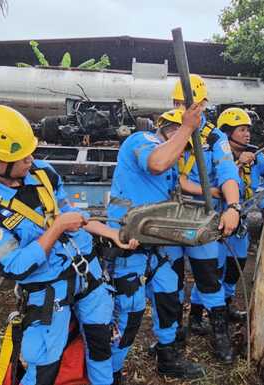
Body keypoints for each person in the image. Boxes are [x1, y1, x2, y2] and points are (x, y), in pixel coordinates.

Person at [0, 104, 137, 385]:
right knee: (45, 366)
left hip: (89, 276)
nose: (31, 159)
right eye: (22, 157)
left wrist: (112, 234)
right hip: (48, 291)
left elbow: (74, 216)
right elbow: (14, 266)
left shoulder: (42, 173)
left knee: (101, 346)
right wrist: (55, 229)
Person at [106, 105, 208, 382]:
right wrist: (186, 127)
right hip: (129, 244)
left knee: (169, 299)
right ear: (163, 128)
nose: (181, 139)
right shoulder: (142, 141)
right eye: (175, 130)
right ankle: (112, 372)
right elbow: (156, 163)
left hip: (158, 245)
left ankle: (168, 356)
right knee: (128, 312)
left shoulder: (174, 159)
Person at [169, 75, 241, 363]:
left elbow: (228, 176)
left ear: (201, 105)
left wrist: (233, 206)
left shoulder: (214, 139)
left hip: (201, 219)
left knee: (209, 280)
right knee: (169, 282)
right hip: (170, 219)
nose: (179, 108)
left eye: (184, 103)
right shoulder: (168, 132)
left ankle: (220, 337)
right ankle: (170, 339)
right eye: (175, 103)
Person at [189, 108, 264, 324]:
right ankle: (196, 314)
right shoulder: (213, 155)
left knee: (237, 265)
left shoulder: (254, 156)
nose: (247, 134)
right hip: (218, 221)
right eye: (241, 129)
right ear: (227, 131)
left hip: (239, 225)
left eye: (248, 130)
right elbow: (219, 182)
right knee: (213, 269)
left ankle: (227, 304)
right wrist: (238, 163)